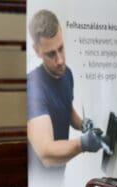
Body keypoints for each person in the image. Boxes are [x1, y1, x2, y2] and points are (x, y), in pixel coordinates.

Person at [27, 9, 102, 167]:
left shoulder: (67, 74)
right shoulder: (33, 86)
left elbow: (67, 109)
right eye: (51, 54)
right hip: (40, 178)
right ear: (37, 51)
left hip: (60, 173)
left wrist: (82, 124)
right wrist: (83, 143)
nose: (60, 60)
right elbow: (46, 154)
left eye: (61, 48)